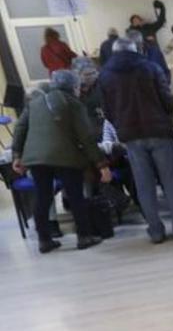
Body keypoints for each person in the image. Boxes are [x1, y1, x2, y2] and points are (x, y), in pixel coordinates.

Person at [99, 37, 173, 243]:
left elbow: (107, 110)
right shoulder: (150, 68)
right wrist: (163, 116)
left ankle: (156, 231)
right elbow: (167, 99)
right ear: (136, 49)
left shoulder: (106, 75)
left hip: (131, 136)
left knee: (144, 185)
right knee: (170, 182)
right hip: (159, 131)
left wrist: (121, 124)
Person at [10, 70, 111, 253]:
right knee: (75, 196)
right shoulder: (73, 104)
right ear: (74, 87)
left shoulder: (35, 102)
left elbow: (20, 128)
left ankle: (44, 239)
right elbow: (86, 137)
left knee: (43, 196)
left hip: (36, 159)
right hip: (65, 157)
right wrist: (101, 164)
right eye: (78, 87)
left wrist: (17, 155)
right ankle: (84, 236)